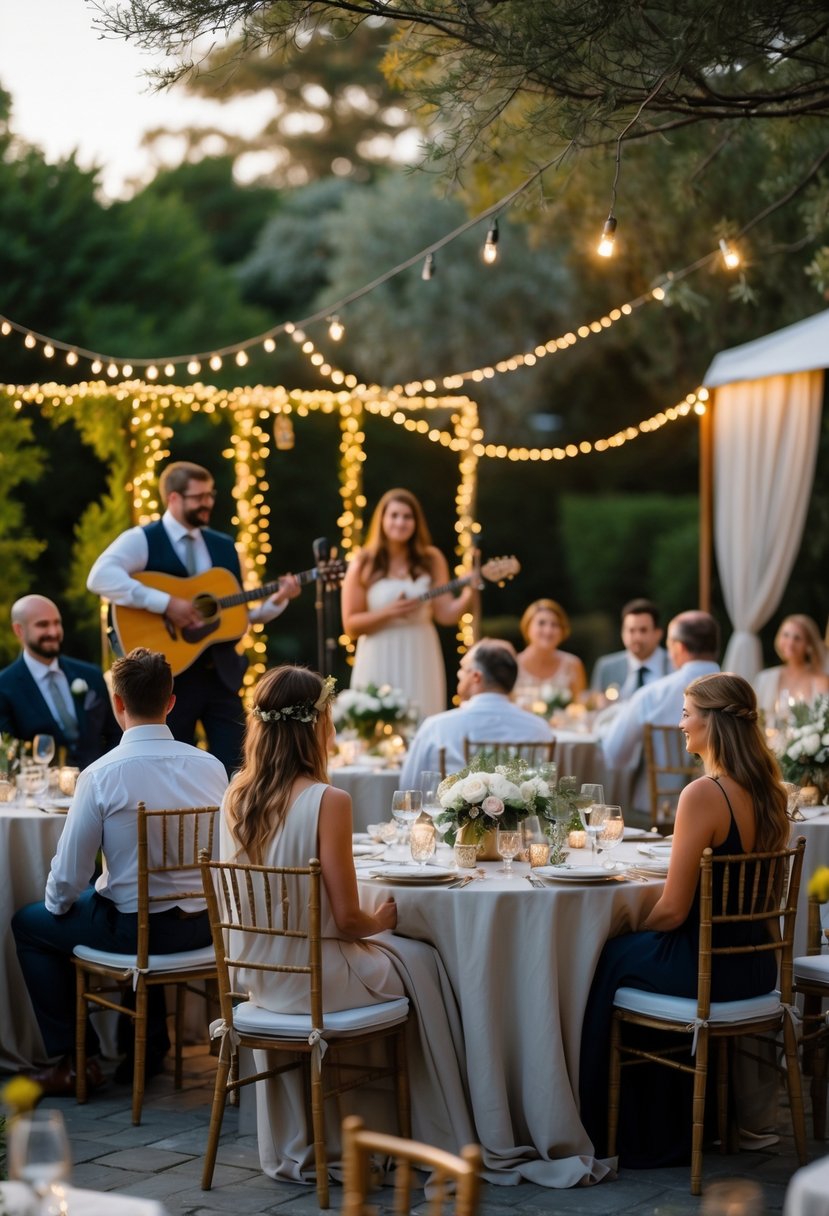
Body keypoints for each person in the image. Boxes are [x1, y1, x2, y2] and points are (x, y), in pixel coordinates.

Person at [220, 664, 475, 1181]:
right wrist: (381, 919)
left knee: (408, 960)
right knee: (427, 963)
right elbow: (348, 918)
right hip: (317, 983)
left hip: (261, 982)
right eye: (328, 718)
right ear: (314, 726)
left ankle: (350, 1126)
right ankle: (419, 1129)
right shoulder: (328, 800)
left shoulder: (234, 796)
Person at [579, 672, 790, 1166]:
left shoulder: (703, 794)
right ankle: (689, 1117)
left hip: (707, 969)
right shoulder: (770, 791)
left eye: (686, 714)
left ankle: (629, 1131)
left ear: (713, 723)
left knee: (607, 958)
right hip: (756, 968)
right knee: (625, 955)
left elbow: (673, 912)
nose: (680, 724)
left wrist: (624, 925)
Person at [12, 647, 228, 1095]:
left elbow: (68, 879)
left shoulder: (101, 774)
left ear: (117, 703)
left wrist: (58, 906)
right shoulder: (211, 768)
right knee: (126, 903)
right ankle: (148, 1049)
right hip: (206, 930)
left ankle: (76, 1062)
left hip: (139, 932)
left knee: (31, 924)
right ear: (171, 702)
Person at [87, 460, 301, 775]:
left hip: (221, 676)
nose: (208, 503)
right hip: (168, 678)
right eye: (199, 497)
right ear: (173, 498)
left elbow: (238, 617)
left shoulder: (224, 546)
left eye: (210, 495)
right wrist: (165, 603)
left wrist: (278, 600)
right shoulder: (143, 539)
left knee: (238, 766)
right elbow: (99, 577)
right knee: (169, 769)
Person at [341, 488, 477, 722]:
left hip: (420, 650)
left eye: (407, 517)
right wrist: (389, 612)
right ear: (382, 520)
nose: (400, 522)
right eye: (394, 515)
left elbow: (446, 615)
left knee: (422, 716)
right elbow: (351, 625)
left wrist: (470, 590)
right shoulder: (364, 561)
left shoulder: (431, 559)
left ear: (416, 522)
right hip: (378, 652)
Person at [599, 610, 720, 810]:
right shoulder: (740, 691)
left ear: (678, 647)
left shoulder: (652, 695)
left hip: (662, 807)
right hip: (722, 805)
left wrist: (603, 727)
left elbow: (614, 755)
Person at [399, 637, 553, 787]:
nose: (459, 674)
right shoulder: (539, 729)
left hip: (447, 805)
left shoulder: (436, 727)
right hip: (522, 806)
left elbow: (409, 786)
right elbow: (547, 786)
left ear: (476, 676)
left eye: (463, 668)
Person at [0, 594, 120, 769]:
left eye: (57, 623)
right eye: (43, 625)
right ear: (19, 630)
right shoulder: (4, 686)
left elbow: (115, 735)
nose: (54, 632)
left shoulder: (91, 675)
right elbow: (8, 754)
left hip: (100, 780)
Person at [513, 598, 586, 709]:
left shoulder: (572, 664)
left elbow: (580, 708)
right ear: (527, 627)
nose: (548, 630)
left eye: (555, 625)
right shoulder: (513, 665)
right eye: (541, 623)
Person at [753, 614, 828, 721]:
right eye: (786, 635)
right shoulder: (764, 678)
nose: (790, 643)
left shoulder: (821, 681)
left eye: (797, 638)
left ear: (809, 645)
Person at [590, 598, 669, 699]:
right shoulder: (607, 668)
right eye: (631, 630)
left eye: (643, 630)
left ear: (658, 633)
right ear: (622, 633)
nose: (637, 637)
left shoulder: (675, 666)